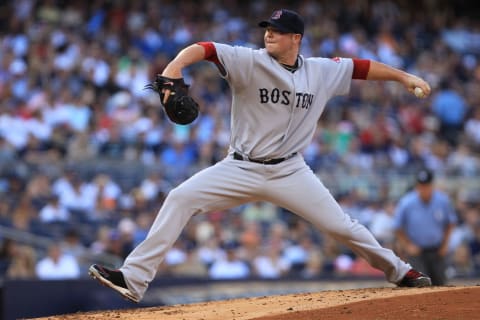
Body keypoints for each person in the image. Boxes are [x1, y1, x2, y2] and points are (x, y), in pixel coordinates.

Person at [89, 9, 432, 303]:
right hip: (240, 167)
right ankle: (133, 279)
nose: (269, 34)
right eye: (267, 28)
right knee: (180, 198)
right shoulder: (248, 61)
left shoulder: (321, 70)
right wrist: (174, 68)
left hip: (291, 171)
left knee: (342, 226)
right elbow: (206, 49)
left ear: (295, 38)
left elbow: (362, 67)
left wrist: (404, 77)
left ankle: (401, 272)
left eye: (278, 31)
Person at [392, 168, 457, 285]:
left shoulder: (442, 201)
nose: (424, 189)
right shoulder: (407, 202)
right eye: (421, 185)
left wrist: (445, 245)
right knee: (420, 285)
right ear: (417, 185)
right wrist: (408, 245)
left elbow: (450, 223)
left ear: (432, 185)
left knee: (440, 284)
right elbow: (397, 227)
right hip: (417, 253)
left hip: (437, 250)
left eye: (426, 185)